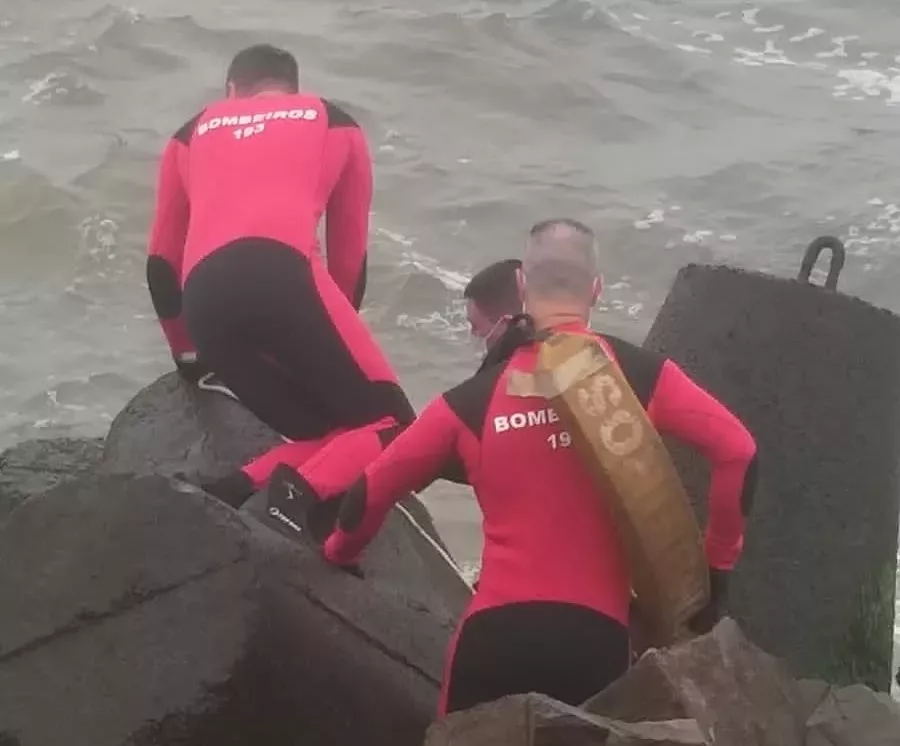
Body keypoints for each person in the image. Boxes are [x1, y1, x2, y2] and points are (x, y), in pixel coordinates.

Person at [318, 218, 759, 716]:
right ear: (596, 289)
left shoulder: (470, 400)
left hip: (492, 639)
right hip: (594, 643)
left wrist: (339, 553)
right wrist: (714, 575)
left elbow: (370, 492)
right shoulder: (638, 376)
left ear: (523, 287)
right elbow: (738, 451)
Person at [145, 44, 415, 505]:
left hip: (205, 300)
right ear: (293, 89)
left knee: (328, 431)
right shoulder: (334, 121)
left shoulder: (189, 134)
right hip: (284, 277)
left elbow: (161, 265)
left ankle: (232, 492)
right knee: (394, 427)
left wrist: (189, 360)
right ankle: (290, 508)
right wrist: (322, 339)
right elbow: (348, 258)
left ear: (231, 91)